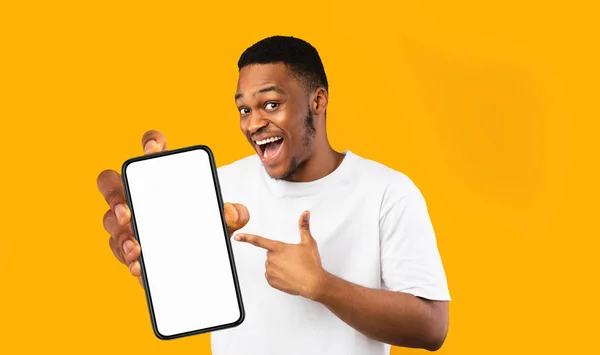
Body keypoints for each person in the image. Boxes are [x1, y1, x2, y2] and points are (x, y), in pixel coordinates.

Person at [97, 35, 451, 355]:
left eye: (270, 105)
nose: (252, 124)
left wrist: (321, 285)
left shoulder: (387, 192)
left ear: (318, 100)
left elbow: (432, 326)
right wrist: (154, 257)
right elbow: (189, 294)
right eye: (244, 110)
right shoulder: (218, 188)